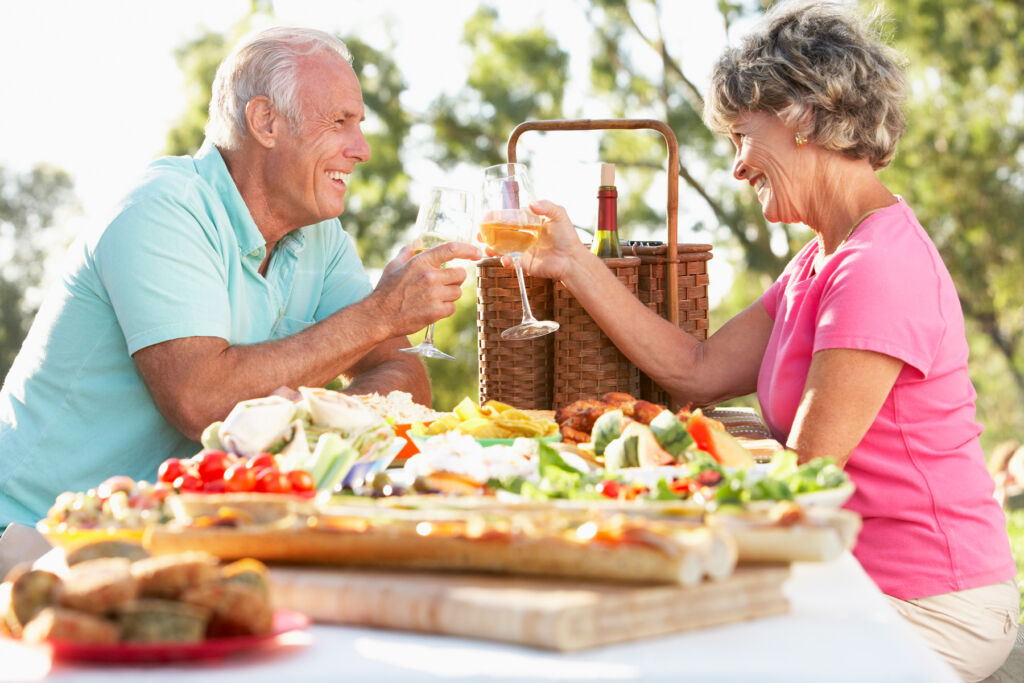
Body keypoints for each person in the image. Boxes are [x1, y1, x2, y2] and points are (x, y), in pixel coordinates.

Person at [513, 2, 1017, 679]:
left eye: (742, 136)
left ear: (803, 116)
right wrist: (576, 264)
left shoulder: (877, 267)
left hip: (927, 602)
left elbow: (806, 473)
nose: (736, 168)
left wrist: (644, 474)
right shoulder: (818, 260)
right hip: (851, 578)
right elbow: (696, 367)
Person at [0, 27, 480, 527]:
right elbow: (201, 399)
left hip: (169, 529)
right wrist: (378, 316)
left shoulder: (320, 234)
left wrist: (315, 423)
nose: (361, 149)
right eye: (340, 122)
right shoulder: (162, 210)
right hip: (34, 532)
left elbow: (405, 380)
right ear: (266, 121)